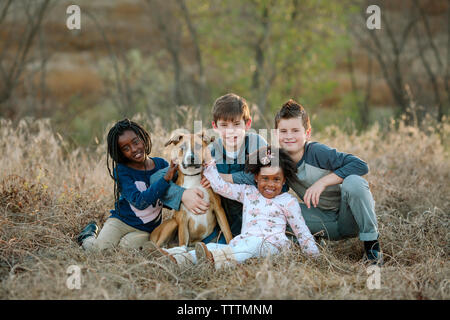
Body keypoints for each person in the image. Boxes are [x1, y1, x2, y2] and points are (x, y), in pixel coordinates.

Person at [234, 99, 383, 264]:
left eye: (295, 130)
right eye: (283, 131)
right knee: (280, 209)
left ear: (307, 133)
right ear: (276, 134)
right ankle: (309, 242)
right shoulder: (279, 159)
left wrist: (323, 182)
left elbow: (360, 165)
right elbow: (250, 176)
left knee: (354, 182)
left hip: (350, 216)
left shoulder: (317, 152)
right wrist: (211, 173)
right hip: (321, 220)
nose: (289, 136)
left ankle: (372, 246)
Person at [144, 146, 319, 270]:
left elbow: (301, 231)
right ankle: (176, 256)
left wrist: (315, 257)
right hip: (244, 241)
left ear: (284, 180)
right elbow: (220, 187)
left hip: (272, 246)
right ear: (256, 177)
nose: (270, 184)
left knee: (250, 245)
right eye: (265, 178)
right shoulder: (248, 192)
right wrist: (210, 166)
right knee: (216, 247)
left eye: (276, 179)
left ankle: (217, 262)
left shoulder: (288, 201)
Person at [150, 93, 266, 244]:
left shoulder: (258, 143)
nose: (231, 131)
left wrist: (222, 178)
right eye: (224, 125)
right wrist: (182, 194)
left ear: (248, 124)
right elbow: (154, 178)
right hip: (227, 224)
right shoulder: (207, 152)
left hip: (259, 216)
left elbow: (275, 177)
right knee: (218, 248)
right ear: (215, 127)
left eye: (237, 124)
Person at [76, 119, 177, 251]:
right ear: (120, 152)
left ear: (143, 138)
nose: (134, 149)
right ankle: (88, 237)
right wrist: (165, 179)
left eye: (136, 142)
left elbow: (169, 200)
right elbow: (139, 202)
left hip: (147, 228)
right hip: (120, 222)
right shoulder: (122, 171)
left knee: (126, 248)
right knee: (100, 249)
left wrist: (177, 175)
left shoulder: (161, 165)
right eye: (126, 148)